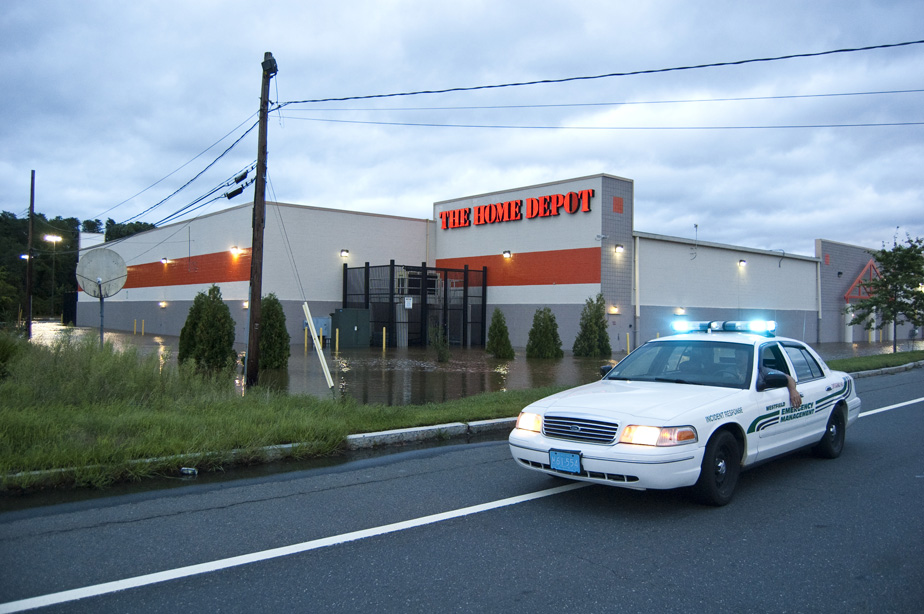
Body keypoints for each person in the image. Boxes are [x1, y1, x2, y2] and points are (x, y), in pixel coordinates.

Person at [736, 349, 802, 408]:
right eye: (736, 354)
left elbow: (788, 378)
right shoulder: (729, 370)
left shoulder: (762, 371)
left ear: (751, 357)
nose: (738, 357)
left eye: (741, 355)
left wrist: (793, 390)